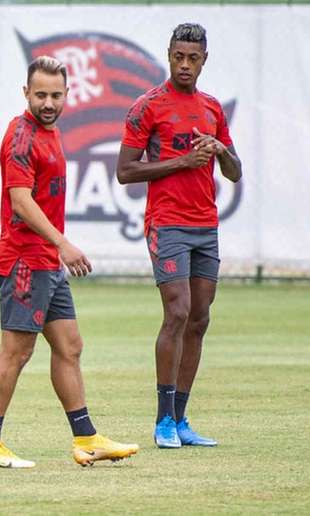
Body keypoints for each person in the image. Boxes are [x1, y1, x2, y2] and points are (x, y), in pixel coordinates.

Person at [0, 56, 139, 469]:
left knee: (69, 346)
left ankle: (86, 438)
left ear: (67, 95)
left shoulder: (50, 131)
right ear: (25, 92)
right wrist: (63, 243)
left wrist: (56, 251)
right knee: (16, 351)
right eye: (40, 94)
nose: (48, 102)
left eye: (56, 95)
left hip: (46, 262)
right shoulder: (22, 136)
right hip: (26, 261)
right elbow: (20, 201)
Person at [117, 23, 242, 449]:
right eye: (178, 57)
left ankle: (182, 418)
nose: (184, 65)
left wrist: (222, 151)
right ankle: (162, 421)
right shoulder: (148, 106)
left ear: (204, 60)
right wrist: (185, 160)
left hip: (205, 225)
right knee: (178, 312)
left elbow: (235, 172)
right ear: (168, 55)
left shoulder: (211, 109)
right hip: (166, 222)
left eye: (193, 58)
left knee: (200, 318)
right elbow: (125, 171)